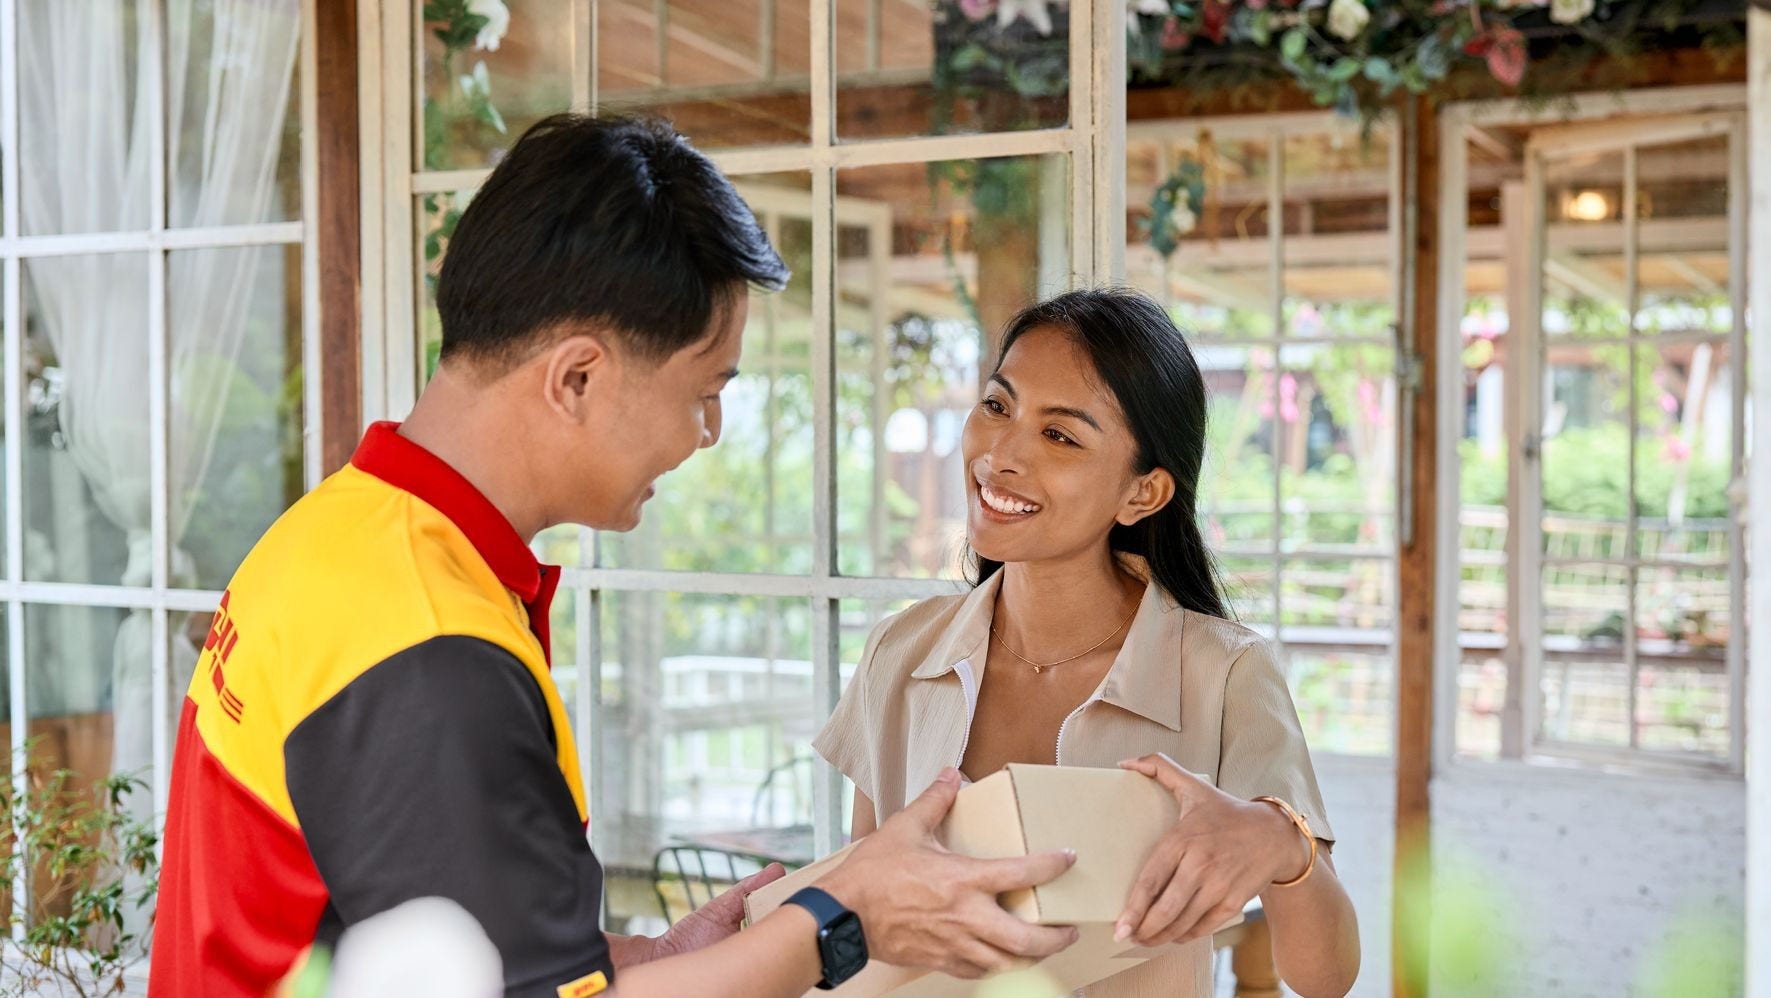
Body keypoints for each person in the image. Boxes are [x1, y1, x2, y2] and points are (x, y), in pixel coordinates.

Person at [148, 114, 1082, 998]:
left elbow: (445, 938)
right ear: (577, 378)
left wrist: (646, 958)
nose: (709, 433)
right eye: (704, 391)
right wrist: (844, 917)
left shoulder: (341, 536)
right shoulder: (434, 652)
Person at [814, 289, 1364, 997]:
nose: (1001, 454)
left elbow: (1326, 977)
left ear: (1143, 494)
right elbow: (860, 921)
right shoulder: (901, 653)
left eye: (1060, 435)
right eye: (997, 405)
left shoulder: (1225, 674)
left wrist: (1280, 844)